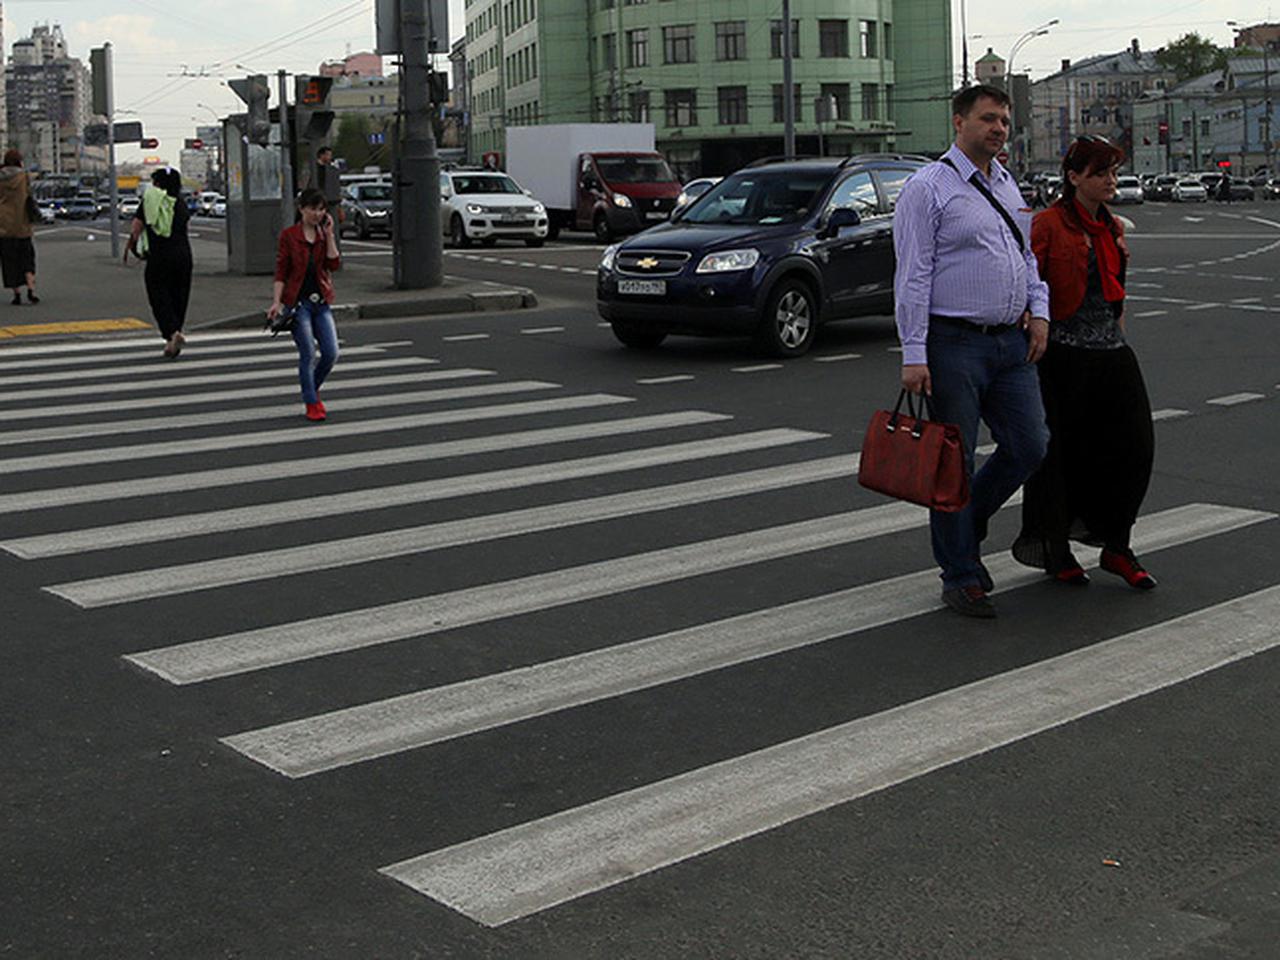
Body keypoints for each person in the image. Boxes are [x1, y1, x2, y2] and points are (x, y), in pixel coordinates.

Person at [892, 84, 1051, 618]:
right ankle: (960, 573)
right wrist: (914, 352)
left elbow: (1026, 257)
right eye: (988, 119)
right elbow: (912, 274)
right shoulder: (928, 188)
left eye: (1004, 120)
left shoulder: (1008, 185)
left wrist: (1040, 311)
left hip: (1010, 341)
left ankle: (969, 520)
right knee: (953, 464)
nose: (999, 129)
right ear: (958, 122)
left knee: (1030, 445)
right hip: (953, 343)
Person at [1011, 136, 1156, 590]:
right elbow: (1027, 284)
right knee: (1062, 456)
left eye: (1113, 172)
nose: (1111, 181)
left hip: (1112, 352)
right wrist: (1033, 328)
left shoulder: (1111, 227)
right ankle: (1058, 548)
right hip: (1063, 356)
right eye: (1101, 173)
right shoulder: (1048, 225)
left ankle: (1117, 545)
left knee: (1134, 448)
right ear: (1074, 178)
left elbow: (1115, 291)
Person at [269, 188, 341, 422]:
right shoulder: (289, 236)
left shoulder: (322, 234)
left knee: (331, 353)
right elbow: (281, 271)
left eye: (321, 210)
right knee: (308, 353)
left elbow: (333, 264)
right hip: (298, 304)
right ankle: (312, 402)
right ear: (301, 209)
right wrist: (276, 302)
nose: (317, 214)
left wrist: (329, 235)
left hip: (321, 301)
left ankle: (312, 388)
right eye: (312, 209)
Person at [124, 167, 193, 357]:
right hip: (183, 255)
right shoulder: (180, 202)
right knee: (179, 296)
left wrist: (133, 245)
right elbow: (186, 227)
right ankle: (173, 338)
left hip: (159, 256)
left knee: (158, 295)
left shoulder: (151, 200)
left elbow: (136, 227)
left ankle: (171, 332)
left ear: (158, 183)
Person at [0, 148, 39, 306]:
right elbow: (30, 196)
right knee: (27, 260)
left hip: (3, 227)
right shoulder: (24, 177)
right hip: (23, 225)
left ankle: (16, 295)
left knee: (9, 262)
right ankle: (31, 290)